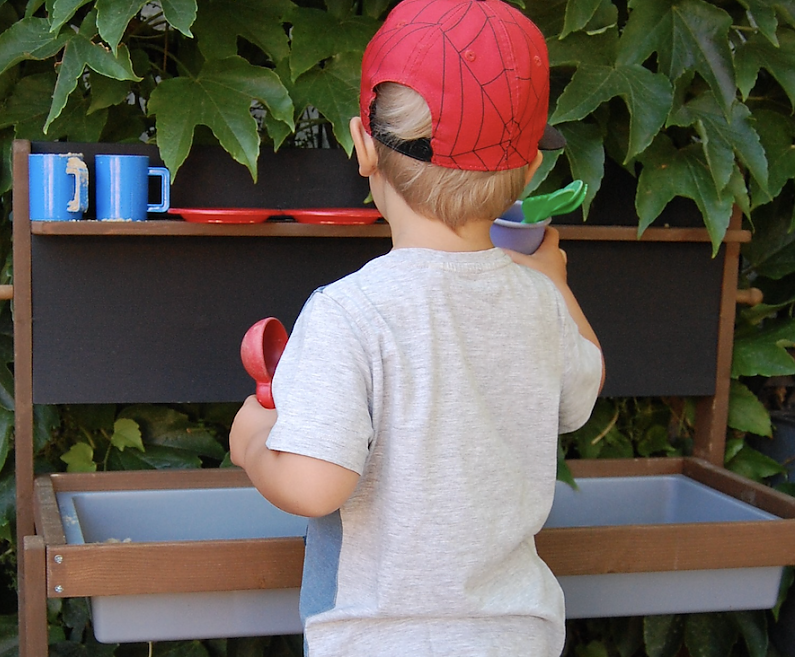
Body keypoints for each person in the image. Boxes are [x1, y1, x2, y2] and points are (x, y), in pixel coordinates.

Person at [229, 0, 605, 654]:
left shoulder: (348, 312)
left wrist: (254, 439)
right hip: (518, 637)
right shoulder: (537, 302)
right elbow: (583, 391)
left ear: (363, 145)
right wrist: (556, 282)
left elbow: (316, 484)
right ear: (533, 169)